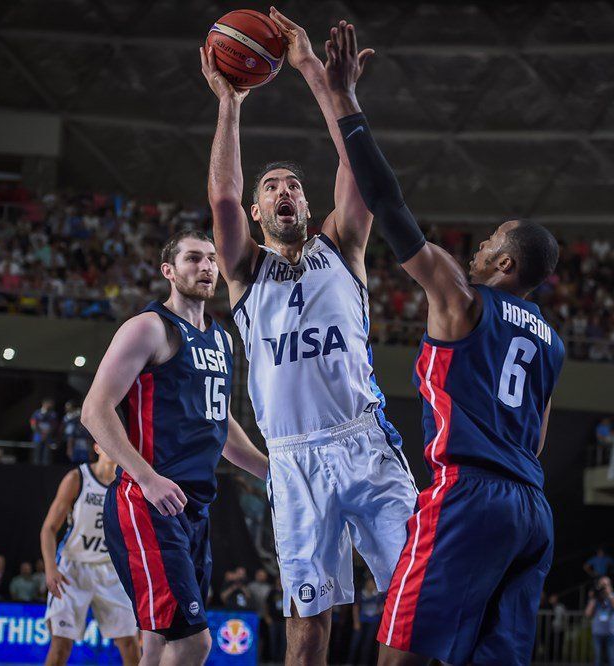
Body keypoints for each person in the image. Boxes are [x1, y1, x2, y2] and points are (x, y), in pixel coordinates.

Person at [323, 21, 563, 666]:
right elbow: (535, 440)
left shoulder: (462, 296)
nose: (480, 245)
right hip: (533, 511)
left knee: (399, 647)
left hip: (469, 494)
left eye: (492, 240)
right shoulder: (554, 343)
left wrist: (343, 97)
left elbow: (388, 202)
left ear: (507, 263)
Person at [201, 10, 417, 665]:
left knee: (418, 600)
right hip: (295, 460)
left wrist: (329, 85)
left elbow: (364, 173)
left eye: (294, 184)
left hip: (366, 444)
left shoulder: (341, 246)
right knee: (307, 630)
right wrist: (230, 107)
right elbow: (221, 201)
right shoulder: (243, 271)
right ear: (260, 211)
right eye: (272, 188)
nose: (285, 190)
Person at [82, 230, 268, 666]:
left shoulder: (221, 339)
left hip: (193, 507)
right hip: (147, 503)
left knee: (157, 644)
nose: (205, 267)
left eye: (210, 259)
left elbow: (219, 423)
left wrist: (271, 471)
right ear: (169, 271)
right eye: (192, 258)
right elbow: (95, 410)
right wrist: (146, 478)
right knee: (193, 642)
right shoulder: (149, 328)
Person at [40, 444, 140, 666]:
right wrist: (50, 568)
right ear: (97, 447)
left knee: (130, 643)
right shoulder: (78, 478)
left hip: (112, 570)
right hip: (73, 569)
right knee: (60, 646)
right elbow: (48, 529)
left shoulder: (129, 483)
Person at [586, 577, 614, 666]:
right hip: (597, 632)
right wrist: (593, 598)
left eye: (605, 585)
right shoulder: (596, 598)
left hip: (612, 632)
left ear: (610, 586)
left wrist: (609, 595)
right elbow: (588, 613)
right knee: (597, 658)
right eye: (601, 585)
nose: (603, 587)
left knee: (612, 657)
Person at [30, 398, 60, 465]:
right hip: (38, 436)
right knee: (37, 454)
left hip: (48, 436)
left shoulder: (53, 414)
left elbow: (54, 425)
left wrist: (46, 433)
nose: (50, 405)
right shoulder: (36, 413)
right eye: (49, 404)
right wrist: (41, 433)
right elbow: (33, 424)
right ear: (44, 404)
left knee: (46, 455)